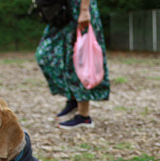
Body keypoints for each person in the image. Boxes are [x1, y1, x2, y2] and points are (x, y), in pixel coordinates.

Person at [36, 0, 110, 129]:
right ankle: (73, 96)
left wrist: (85, 10)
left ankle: (84, 116)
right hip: (64, 8)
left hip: (80, 8)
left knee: (80, 58)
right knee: (44, 55)